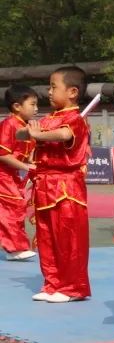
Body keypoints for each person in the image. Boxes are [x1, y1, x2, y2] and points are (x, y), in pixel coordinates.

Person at [16, 67, 91, 303]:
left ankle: (72, 287)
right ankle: (52, 284)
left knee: (67, 238)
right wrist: (29, 132)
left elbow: (63, 136)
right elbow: (22, 134)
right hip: (44, 185)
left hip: (65, 187)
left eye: (53, 87)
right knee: (46, 237)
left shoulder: (75, 120)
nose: (49, 92)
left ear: (72, 92)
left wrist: (38, 134)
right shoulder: (48, 119)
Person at [0, 85, 38, 261]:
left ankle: (15, 247)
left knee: (17, 207)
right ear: (17, 106)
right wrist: (26, 167)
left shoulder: (26, 127)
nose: (36, 109)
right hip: (3, 174)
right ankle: (14, 248)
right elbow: (3, 154)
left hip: (13, 176)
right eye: (33, 104)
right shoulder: (9, 125)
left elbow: (29, 154)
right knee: (13, 207)